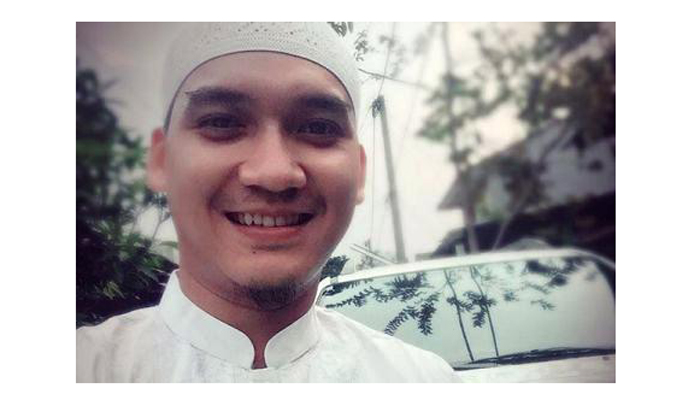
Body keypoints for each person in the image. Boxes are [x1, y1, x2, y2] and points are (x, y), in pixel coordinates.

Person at [76, 22, 460, 383]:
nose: (274, 173)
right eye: (222, 122)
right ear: (161, 161)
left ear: (359, 173)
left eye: (318, 127)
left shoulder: (421, 379)